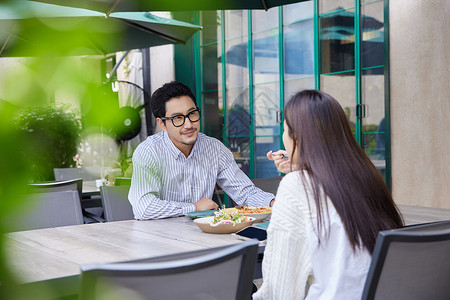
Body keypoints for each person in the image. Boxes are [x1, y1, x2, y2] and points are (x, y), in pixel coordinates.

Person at [253, 90, 403, 299]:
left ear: (295, 136)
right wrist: (301, 169)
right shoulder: (367, 176)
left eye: (285, 130)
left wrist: (298, 176)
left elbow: (280, 289)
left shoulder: (296, 186)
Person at [128, 81, 275, 220]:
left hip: (204, 233)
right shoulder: (149, 151)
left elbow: (245, 192)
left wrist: (274, 205)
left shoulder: (215, 149)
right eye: (177, 118)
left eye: (192, 114)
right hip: (158, 239)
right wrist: (193, 208)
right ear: (162, 124)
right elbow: (144, 207)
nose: (188, 124)